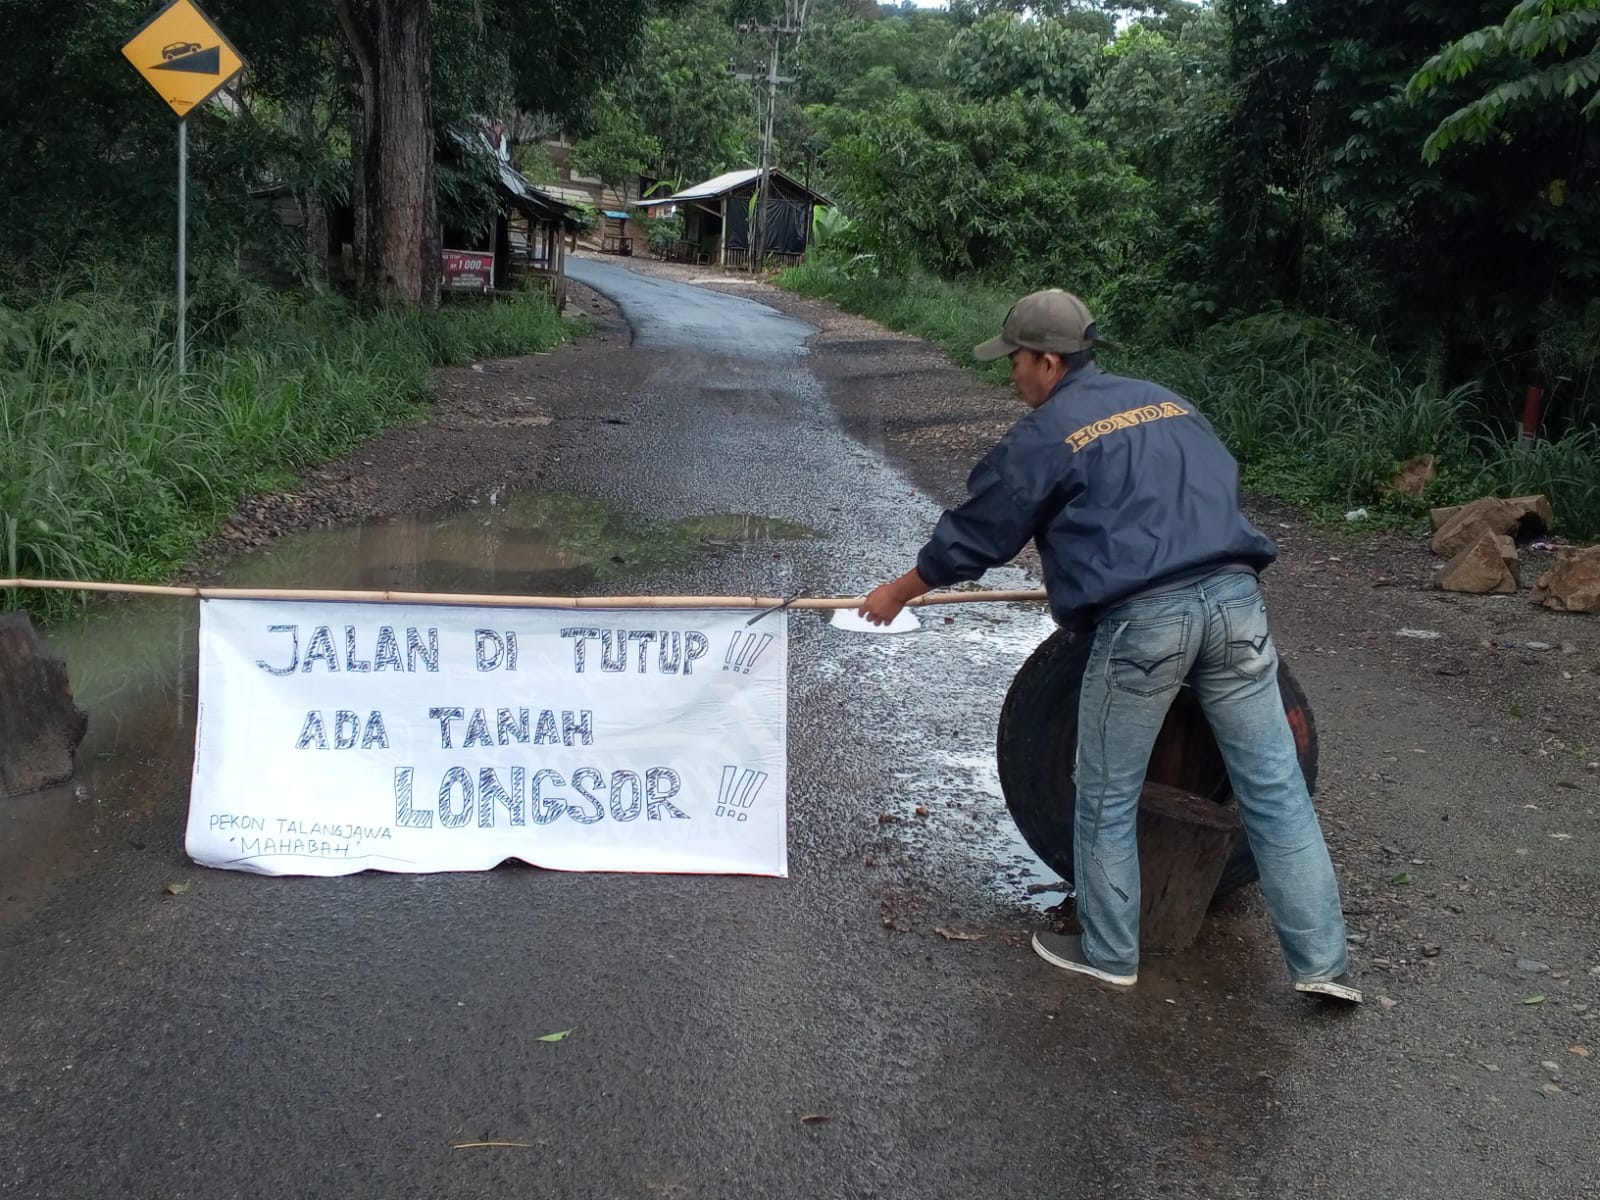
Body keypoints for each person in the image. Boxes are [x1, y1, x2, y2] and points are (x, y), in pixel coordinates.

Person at [858, 288, 1360, 1004]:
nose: (1011, 376)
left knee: (1103, 793)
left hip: (1148, 623)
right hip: (1238, 603)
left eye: (1016, 362)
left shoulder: (1047, 433)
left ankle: (1110, 950)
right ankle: (1325, 967)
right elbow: (1204, 490)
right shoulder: (1167, 402)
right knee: (1277, 793)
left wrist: (899, 591)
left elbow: (980, 533)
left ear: (1049, 361)